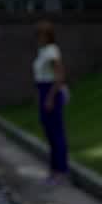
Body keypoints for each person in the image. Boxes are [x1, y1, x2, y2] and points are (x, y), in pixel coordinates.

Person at [33, 21, 69, 183]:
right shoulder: (42, 52)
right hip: (43, 90)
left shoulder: (52, 52)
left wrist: (50, 97)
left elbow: (59, 75)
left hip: (50, 92)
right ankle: (54, 169)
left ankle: (61, 170)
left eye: (40, 35)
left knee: (56, 133)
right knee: (49, 133)